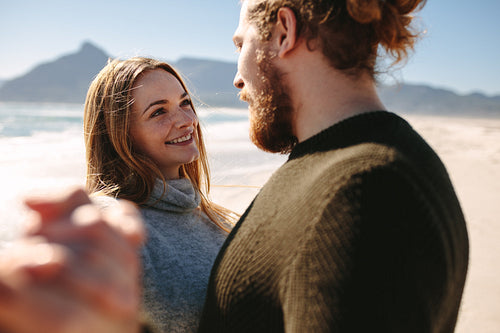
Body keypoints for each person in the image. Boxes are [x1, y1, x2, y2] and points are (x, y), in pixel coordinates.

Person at [0, 0, 469, 332]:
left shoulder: (366, 189)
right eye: (157, 111)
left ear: (283, 32)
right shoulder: (315, 174)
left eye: (240, 42)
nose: (236, 77)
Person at [83, 57, 235, 332]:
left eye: (185, 103)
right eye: (158, 112)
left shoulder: (218, 221)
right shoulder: (112, 222)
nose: (186, 121)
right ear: (121, 134)